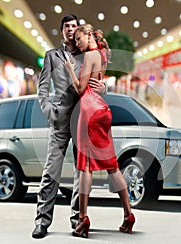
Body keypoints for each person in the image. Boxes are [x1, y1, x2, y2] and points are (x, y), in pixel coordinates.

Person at [32, 15, 106, 239]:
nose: (71, 30)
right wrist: (48, 110)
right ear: (62, 30)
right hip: (59, 120)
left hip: (83, 119)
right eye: (67, 26)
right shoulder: (51, 56)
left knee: (81, 172)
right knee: (50, 171)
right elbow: (42, 88)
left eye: (74, 26)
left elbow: (98, 84)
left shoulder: (88, 54)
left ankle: (78, 221)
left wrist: (103, 88)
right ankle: (42, 221)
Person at [64, 23, 135, 238]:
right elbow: (98, 83)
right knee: (112, 167)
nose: (77, 43)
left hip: (88, 111)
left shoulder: (90, 56)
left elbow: (80, 88)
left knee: (85, 166)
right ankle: (128, 214)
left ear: (88, 35)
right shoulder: (103, 53)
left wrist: (70, 70)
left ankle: (83, 218)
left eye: (79, 39)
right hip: (103, 110)